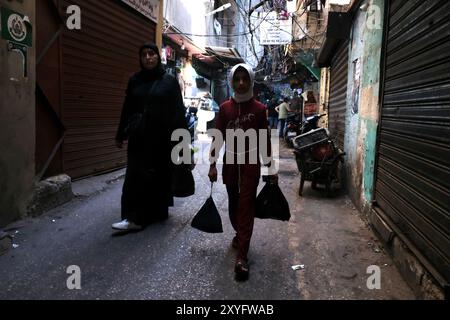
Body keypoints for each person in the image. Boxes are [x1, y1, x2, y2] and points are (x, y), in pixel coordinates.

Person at [208, 63, 277, 281]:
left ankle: (242, 257)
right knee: (233, 204)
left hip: (250, 164)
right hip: (230, 162)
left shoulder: (259, 109)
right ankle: (240, 235)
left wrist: (271, 167)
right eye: (236, 79)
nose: (240, 83)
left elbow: (265, 140)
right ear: (231, 81)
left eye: (244, 79)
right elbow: (217, 137)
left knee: (246, 205)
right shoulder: (225, 108)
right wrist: (212, 163)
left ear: (251, 81)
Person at [113, 42, 188, 231]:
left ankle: (157, 211)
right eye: (144, 54)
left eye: (152, 53)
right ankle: (133, 218)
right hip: (139, 137)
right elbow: (127, 108)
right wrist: (120, 133)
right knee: (135, 177)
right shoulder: (135, 80)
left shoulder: (169, 81)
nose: (148, 58)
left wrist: (184, 146)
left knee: (159, 176)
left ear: (158, 56)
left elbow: (178, 113)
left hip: (162, 140)